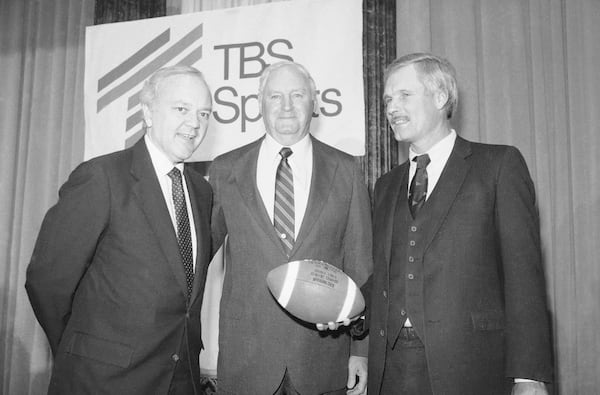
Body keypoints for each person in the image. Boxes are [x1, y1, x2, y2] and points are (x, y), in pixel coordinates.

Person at [365, 53, 553, 394]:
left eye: (405, 95)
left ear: (440, 97)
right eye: (388, 99)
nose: (392, 108)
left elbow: (524, 279)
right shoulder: (386, 185)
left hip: (472, 368)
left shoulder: (497, 166)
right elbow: (386, 276)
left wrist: (529, 376)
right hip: (390, 372)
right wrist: (342, 305)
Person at [25, 65, 213, 395]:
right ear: (148, 113)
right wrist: (82, 351)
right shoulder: (103, 177)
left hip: (181, 381)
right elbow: (47, 281)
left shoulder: (201, 191)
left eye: (204, 113)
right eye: (181, 109)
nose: (194, 123)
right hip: (102, 381)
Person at [209, 60, 372, 395]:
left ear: (314, 103)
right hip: (246, 361)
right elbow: (195, 262)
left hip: (322, 361)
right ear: (259, 104)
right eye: (275, 96)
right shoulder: (226, 169)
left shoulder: (346, 170)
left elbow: (361, 267)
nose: (286, 107)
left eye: (297, 95)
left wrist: (360, 350)